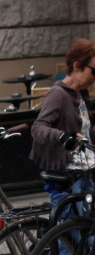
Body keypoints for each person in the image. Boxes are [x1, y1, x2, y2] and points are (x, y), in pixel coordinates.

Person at [32, 38, 95, 203]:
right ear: (77, 66)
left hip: (85, 171)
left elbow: (85, 134)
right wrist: (63, 136)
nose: (94, 78)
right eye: (93, 71)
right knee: (75, 225)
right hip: (67, 176)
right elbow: (38, 128)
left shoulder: (81, 94)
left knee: (85, 226)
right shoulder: (58, 94)